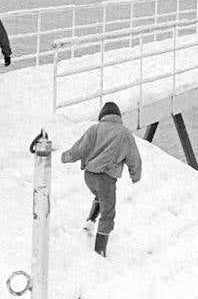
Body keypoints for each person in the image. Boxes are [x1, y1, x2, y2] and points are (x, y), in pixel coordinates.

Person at [60, 100, 143, 257]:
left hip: (89, 176)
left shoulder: (94, 129)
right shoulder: (124, 133)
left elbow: (79, 149)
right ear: (118, 116)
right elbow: (134, 158)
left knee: (100, 196)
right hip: (105, 177)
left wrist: (65, 157)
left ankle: (90, 222)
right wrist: (135, 175)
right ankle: (99, 252)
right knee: (108, 214)